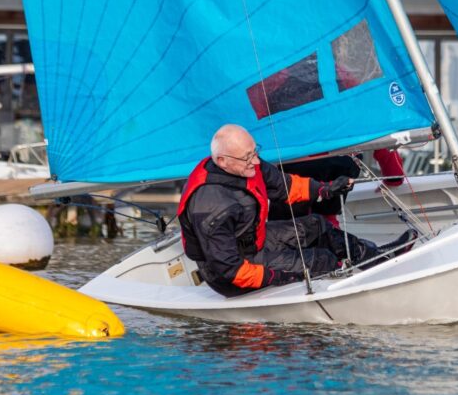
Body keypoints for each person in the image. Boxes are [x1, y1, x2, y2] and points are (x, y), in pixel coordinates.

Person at [177, 124, 417, 298]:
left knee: (317, 225)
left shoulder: (246, 166)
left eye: (255, 152)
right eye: (247, 158)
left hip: (253, 242)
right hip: (233, 272)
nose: (256, 162)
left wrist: (325, 190)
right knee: (319, 260)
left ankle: (376, 258)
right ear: (222, 161)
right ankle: (357, 286)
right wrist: (277, 276)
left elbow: (286, 186)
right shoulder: (211, 207)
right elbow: (231, 270)